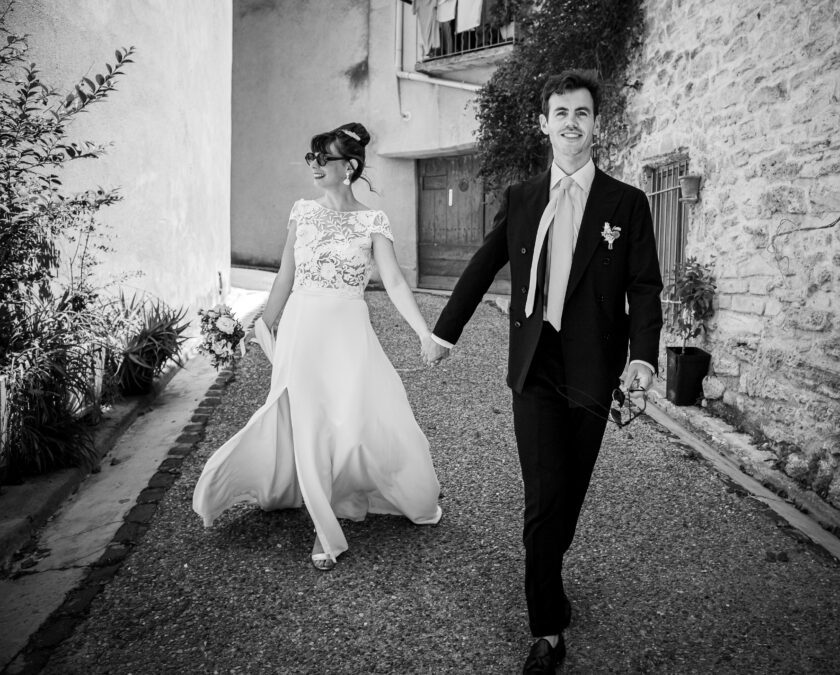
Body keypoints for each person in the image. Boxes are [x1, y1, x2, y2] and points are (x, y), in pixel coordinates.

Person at [423, 70, 663, 673]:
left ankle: (548, 574)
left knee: (568, 494)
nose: (571, 123)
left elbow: (644, 286)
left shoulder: (626, 204)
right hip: (533, 364)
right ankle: (547, 631)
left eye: (582, 113)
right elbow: (484, 263)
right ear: (544, 123)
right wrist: (443, 332)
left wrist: (641, 355)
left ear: (595, 123)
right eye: (561, 113)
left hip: (592, 366)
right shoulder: (523, 197)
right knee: (540, 496)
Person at [193, 122, 442, 572]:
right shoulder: (302, 213)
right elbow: (285, 276)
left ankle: (346, 494)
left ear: (348, 167)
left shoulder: (372, 220)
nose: (312, 165)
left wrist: (424, 333)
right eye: (310, 157)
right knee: (310, 423)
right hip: (302, 332)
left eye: (320, 158)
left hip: (348, 333)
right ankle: (324, 526)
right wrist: (258, 323)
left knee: (345, 422)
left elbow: (395, 281)